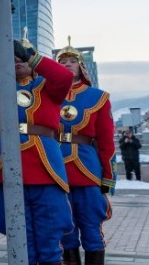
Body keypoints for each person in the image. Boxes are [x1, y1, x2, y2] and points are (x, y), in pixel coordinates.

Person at [0, 25, 74, 265]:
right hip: (6, 169)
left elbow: (65, 76)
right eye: (13, 57)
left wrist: (32, 55)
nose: (18, 60)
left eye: (23, 57)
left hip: (45, 169)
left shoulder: (48, 88)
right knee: (19, 240)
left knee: (50, 243)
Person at [55, 39, 116, 265]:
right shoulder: (47, 95)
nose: (67, 64)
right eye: (62, 62)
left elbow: (106, 141)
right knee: (65, 228)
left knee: (91, 226)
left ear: (82, 67)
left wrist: (108, 176)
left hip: (87, 169)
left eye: (72, 61)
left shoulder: (98, 97)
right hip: (55, 167)